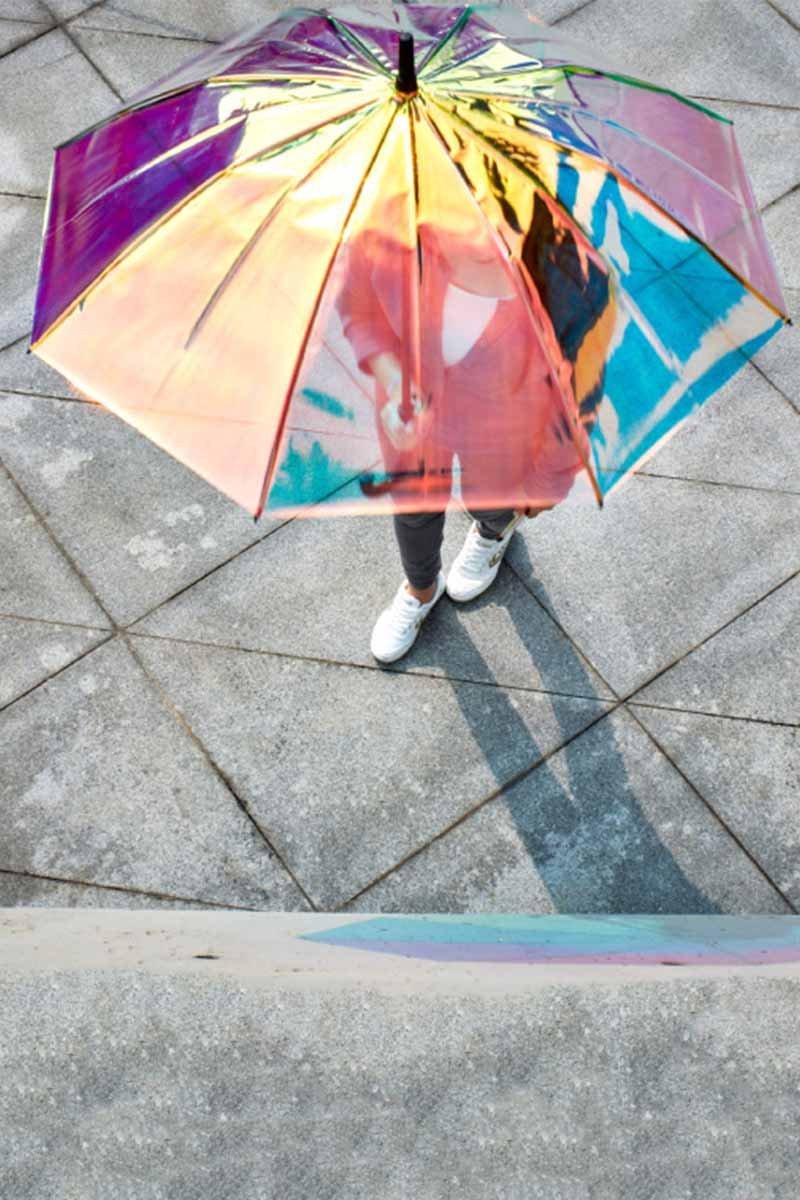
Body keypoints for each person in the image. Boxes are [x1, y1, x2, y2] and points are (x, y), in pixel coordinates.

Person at [337, 188, 614, 663]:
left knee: (496, 495)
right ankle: (421, 589)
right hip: (413, 426)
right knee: (414, 507)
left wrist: (546, 481)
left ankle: (493, 532)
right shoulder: (389, 226)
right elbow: (357, 307)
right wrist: (390, 373)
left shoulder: (571, 278)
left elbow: (578, 398)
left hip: (506, 432)